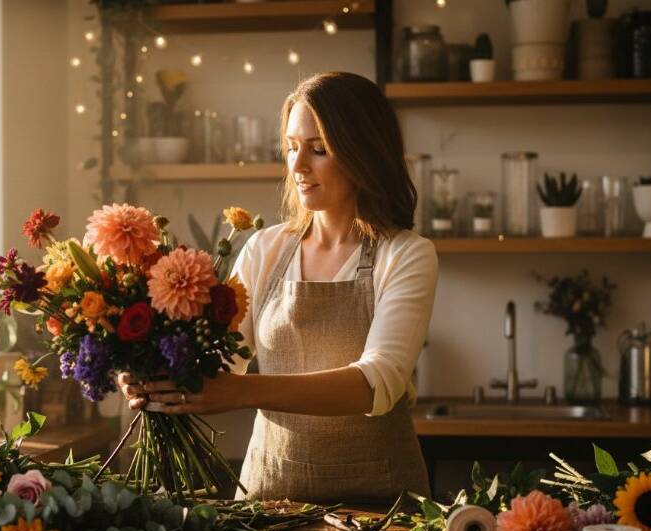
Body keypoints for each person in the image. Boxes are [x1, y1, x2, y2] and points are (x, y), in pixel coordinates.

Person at [119, 71, 438, 504]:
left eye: (319, 149)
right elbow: (220, 362)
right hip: (270, 500)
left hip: (380, 508)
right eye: (291, 148)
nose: (298, 166)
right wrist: (151, 374)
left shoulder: (405, 255)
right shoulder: (266, 248)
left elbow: (376, 384)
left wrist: (242, 392)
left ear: (364, 154)